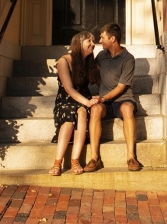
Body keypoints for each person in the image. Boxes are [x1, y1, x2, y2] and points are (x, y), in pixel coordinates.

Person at [84, 23, 141, 172]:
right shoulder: (101, 56)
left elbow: (121, 87)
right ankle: (94, 158)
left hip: (123, 99)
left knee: (128, 109)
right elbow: (93, 74)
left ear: (113, 39)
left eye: (102, 38)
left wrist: (103, 97)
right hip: (105, 102)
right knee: (95, 110)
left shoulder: (128, 59)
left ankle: (131, 157)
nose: (100, 41)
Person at [49, 31, 100, 176]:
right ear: (79, 43)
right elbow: (69, 88)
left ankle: (75, 160)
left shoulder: (90, 63)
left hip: (84, 101)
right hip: (66, 100)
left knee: (81, 112)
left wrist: (102, 97)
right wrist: (87, 102)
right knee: (69, 117)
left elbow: (102, 82)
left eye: (93, 41)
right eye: (89, 41)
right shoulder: (64, 61)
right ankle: (57, 162)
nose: (92, 43)